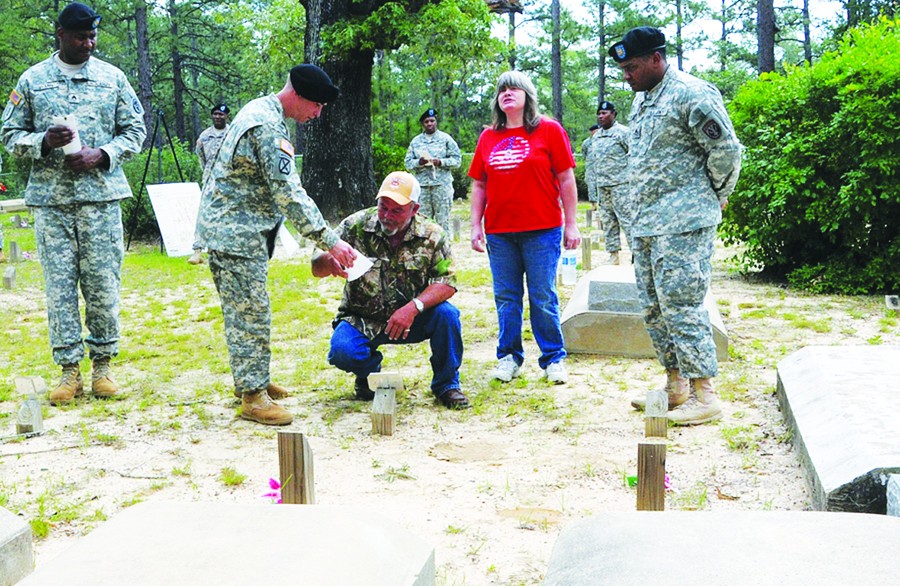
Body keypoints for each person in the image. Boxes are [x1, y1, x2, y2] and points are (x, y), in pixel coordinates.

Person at [1, 2, 146, 405]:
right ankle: (69, 372)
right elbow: (10, 135)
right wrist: (43, 142)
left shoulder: (111, 78)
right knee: (60, 287)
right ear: (61, 34)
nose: (89, 43)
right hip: (52, 203)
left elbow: (135, 130)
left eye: (92, 36)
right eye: (81, 36)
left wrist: (104, 154)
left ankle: (103, 366)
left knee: (102, 284)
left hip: (101, 199)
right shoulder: (33, 81)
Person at [195, 63, 356, 426]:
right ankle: (253, 397)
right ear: (298, 96)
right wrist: (329, 240)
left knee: (246, 311)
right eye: (316, 105)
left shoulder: (261, 110)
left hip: (235, 230)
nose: (317, 113)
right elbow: (289, 193)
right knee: (251, 314)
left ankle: (254, 381)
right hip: (236, 234)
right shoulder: (268, 126)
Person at [609, 27, 742, 425]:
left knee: (682, 305)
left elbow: (726, 149)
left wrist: (716, 193)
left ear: (656, 58)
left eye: (632, 67)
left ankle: (706, 393)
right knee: (654, 308)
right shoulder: (643, 100)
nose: (626, 76)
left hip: (685, 222)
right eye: (623, 69)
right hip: (648, 224)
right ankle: (676, 384)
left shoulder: (692, 93)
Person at [312, 171, 468, 409]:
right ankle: (369, 373)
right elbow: (316, 265)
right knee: (342, 352)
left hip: (413, 319)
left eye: (397, 211)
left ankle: (447, 385)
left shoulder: (433, 234)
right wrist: (327, 260)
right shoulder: (355, 226)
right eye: (383, 207)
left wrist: (414, 308)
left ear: (414, 210)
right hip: (363, 318)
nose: (387, 216)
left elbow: (448, 281)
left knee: (448, 316)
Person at [469, 70, 581, 385]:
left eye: (514, 88)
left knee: (543, 295)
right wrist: (475, 226)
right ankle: (509, 357)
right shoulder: (488, 137)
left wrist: (571, 224)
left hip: (542, 229)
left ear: (527, 95)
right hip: (500, 232)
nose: (507, 92)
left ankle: (553, 359)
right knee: (506, 297)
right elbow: (479, 184)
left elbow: (566, 178)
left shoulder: (549, 131)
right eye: (502, 89)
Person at [586, 101, 631, 265]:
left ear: (613, 114)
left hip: (622, 186)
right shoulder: (596, 136)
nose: (600, 116)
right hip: (603, 186)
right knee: (608, 222)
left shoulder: (623, 133)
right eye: (599, 113)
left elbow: (633, 155)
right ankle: (613, 254)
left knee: (628, 221)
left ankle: (636, 255)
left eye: (604, 113)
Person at [403, 108, 461, 234]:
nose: (429, 124)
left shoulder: (446, 139)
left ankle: (444, 250)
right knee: (422, 222)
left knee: (443, 221)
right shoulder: (416, 141)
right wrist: (419, 162)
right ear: (422, 124)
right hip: (422, 187)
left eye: (432, 121)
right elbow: (407, 163)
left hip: (441, 186)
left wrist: (440, 162)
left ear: (436, 122)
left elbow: (457, 160)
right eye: (426, 122)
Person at [188, 103, 230, 265]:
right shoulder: (205, 136)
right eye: (215, 114)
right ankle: (197, 251)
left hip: (228, 182)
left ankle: (222, 250)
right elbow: (202, 159)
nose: (218, 117)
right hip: (210, 182)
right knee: (204, 215)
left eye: (221, 114)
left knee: (227, 215)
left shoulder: (233, 133)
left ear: (226, 116)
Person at [580, 123, 599, 212]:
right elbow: (584, 154)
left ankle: (602, 204)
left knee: (601, 185)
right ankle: (593, 204)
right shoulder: (586, 143)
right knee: (591, 185)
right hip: (591, 167)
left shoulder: (602, 140)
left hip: (601, 167)